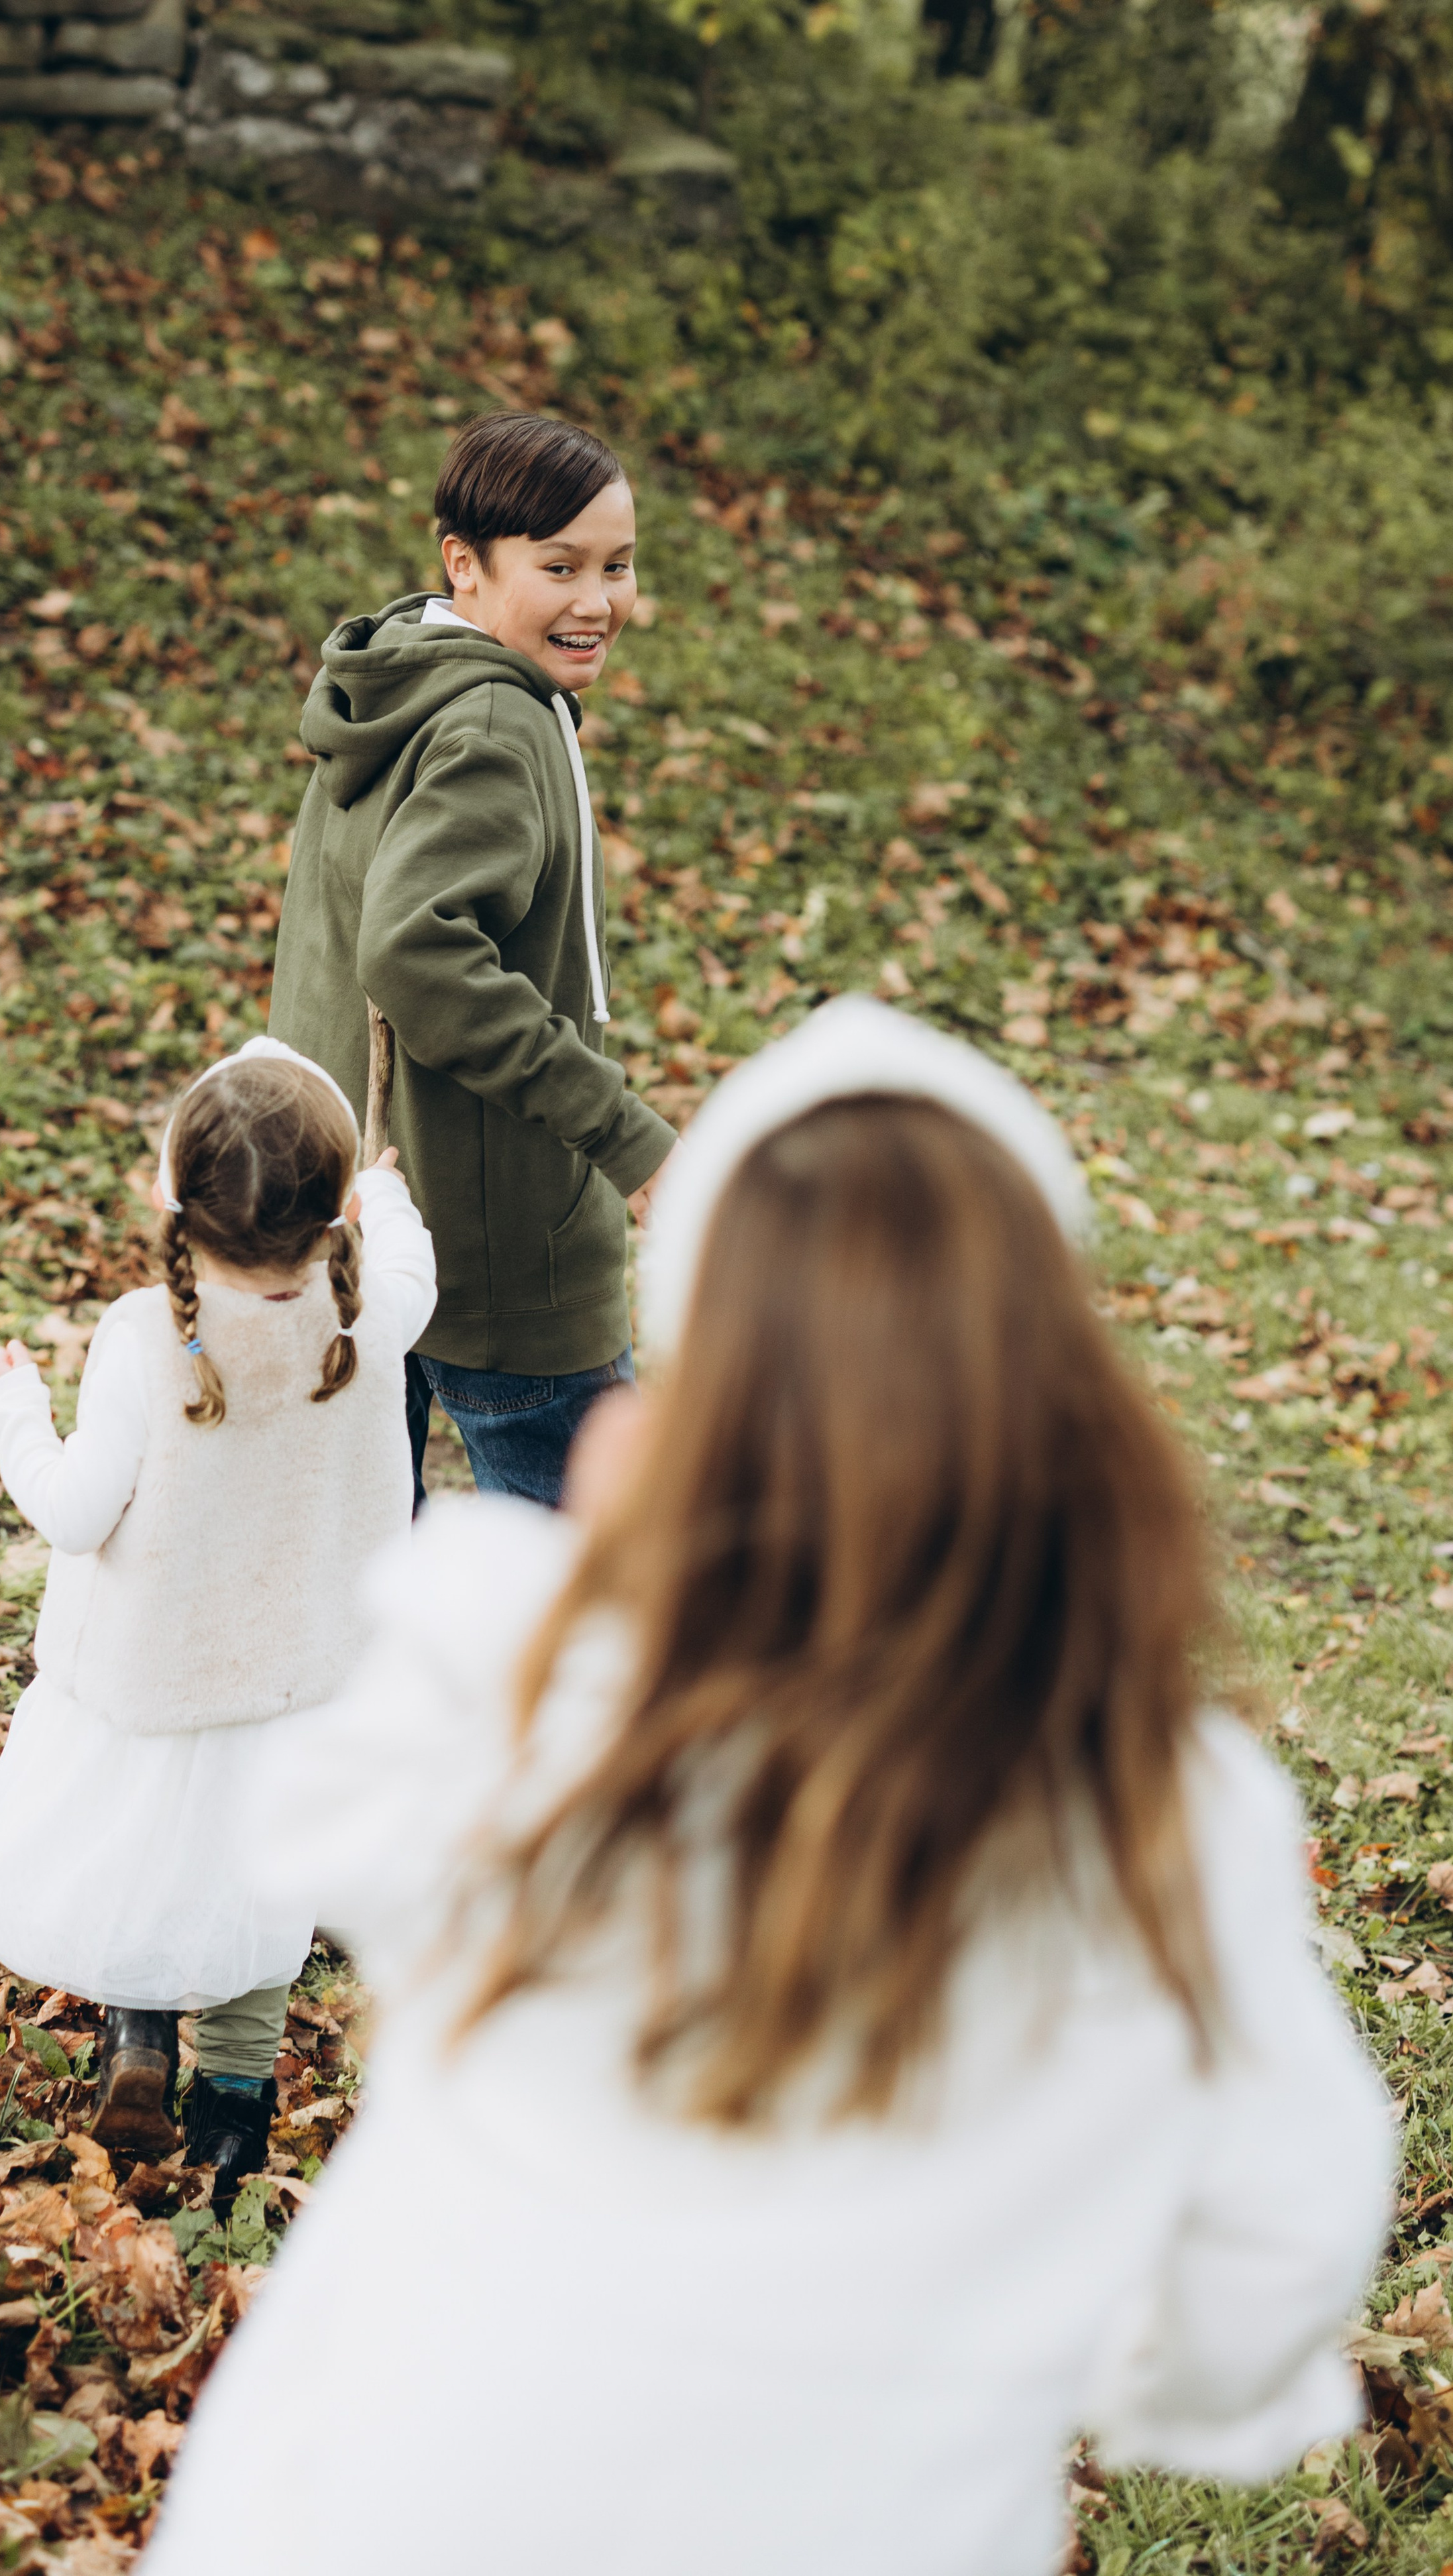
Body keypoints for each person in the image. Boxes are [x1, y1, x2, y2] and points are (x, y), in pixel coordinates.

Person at [143, 997, 1392, 2576]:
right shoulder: (1165, 1816)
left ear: (695, 1385)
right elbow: (1288, 2217)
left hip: (401, 2498)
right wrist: (1128, 2372)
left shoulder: (525, 1673)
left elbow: (317, 1830)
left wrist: (596, 1589)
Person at [0, 1035, 435, 2209]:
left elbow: (73, 1509)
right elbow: (410, 1258)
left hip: (157, 1677)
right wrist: (396, 1193)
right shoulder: (374, 1317)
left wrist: (11, 1406)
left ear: (169, 1199)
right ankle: (233, 2116)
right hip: (302, 1678)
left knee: (153, 1859)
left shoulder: (143, 1335)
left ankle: (141, 2041)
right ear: (339, 1213)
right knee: (260, 1879)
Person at [268, 408, 679, 1512]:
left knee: (358, 1584)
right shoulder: (494, 725)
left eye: (619, 565)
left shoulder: (400, 682)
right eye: (560, 566)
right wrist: (629, 1141)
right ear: (467, 562)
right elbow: (415, 952)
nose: (598, 601)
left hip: (354, 1217)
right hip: (500, 1258)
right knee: (602, 1597)